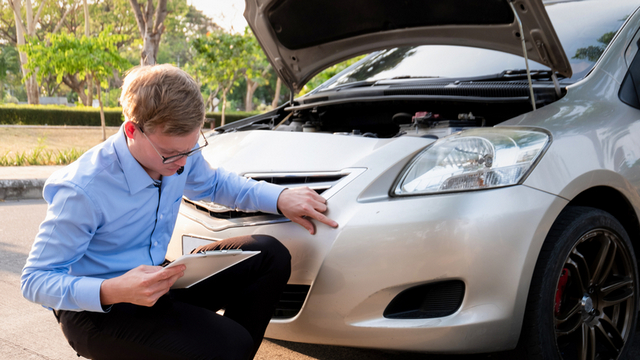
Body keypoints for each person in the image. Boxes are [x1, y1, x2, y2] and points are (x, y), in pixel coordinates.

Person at [21, 64, 338, 360]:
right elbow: (35, 280)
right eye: (171, 153)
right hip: (98, 310)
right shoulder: (84, 189)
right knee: (231, 345)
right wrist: (115, 289)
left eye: (190, 149)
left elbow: (214, 184)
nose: (183, 164)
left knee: (269, 256)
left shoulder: (178, 155)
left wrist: (280, 196)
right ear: (132, 131)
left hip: (158, 279)